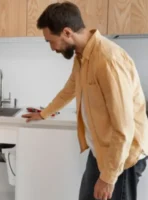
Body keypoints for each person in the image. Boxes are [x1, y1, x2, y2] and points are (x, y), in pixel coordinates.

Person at [22, 2, 148, 200]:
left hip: (123, 158)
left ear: (66, 32)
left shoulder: (107, 60)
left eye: (50, 41)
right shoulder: (82, 56)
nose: (51, 47)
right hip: (100, 150)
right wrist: (43, 113)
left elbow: (124, 128)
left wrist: (108, 178)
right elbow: (69, 89)